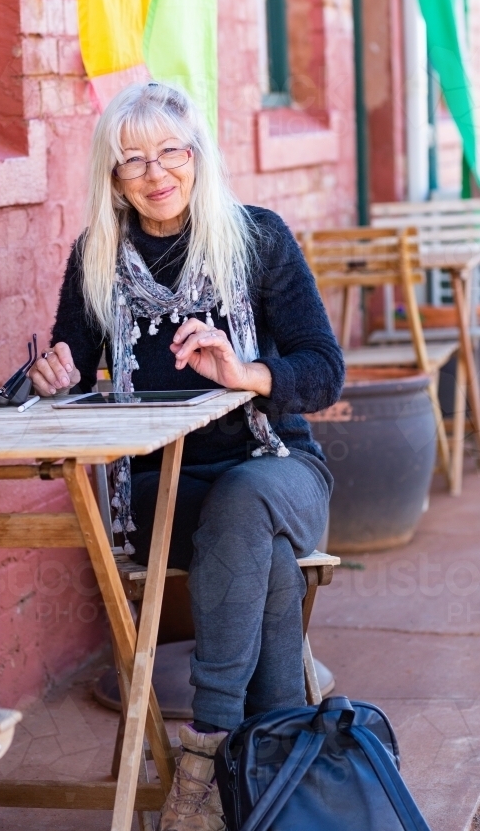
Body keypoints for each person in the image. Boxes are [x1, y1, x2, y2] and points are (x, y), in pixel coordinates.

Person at [29, 82, 344, 831]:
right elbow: (69, 366)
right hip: (160, 489)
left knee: (246, 502)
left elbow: (323, 370)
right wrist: (56, 374)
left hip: (280, 470)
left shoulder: (257, 238)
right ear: (111, 176)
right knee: (254, 551)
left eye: (171, 150)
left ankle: (200, 755)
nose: (154, 171)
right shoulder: (97, 257)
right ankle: (273, 760)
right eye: (131, 158)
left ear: (197, 156)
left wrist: (246, 375)